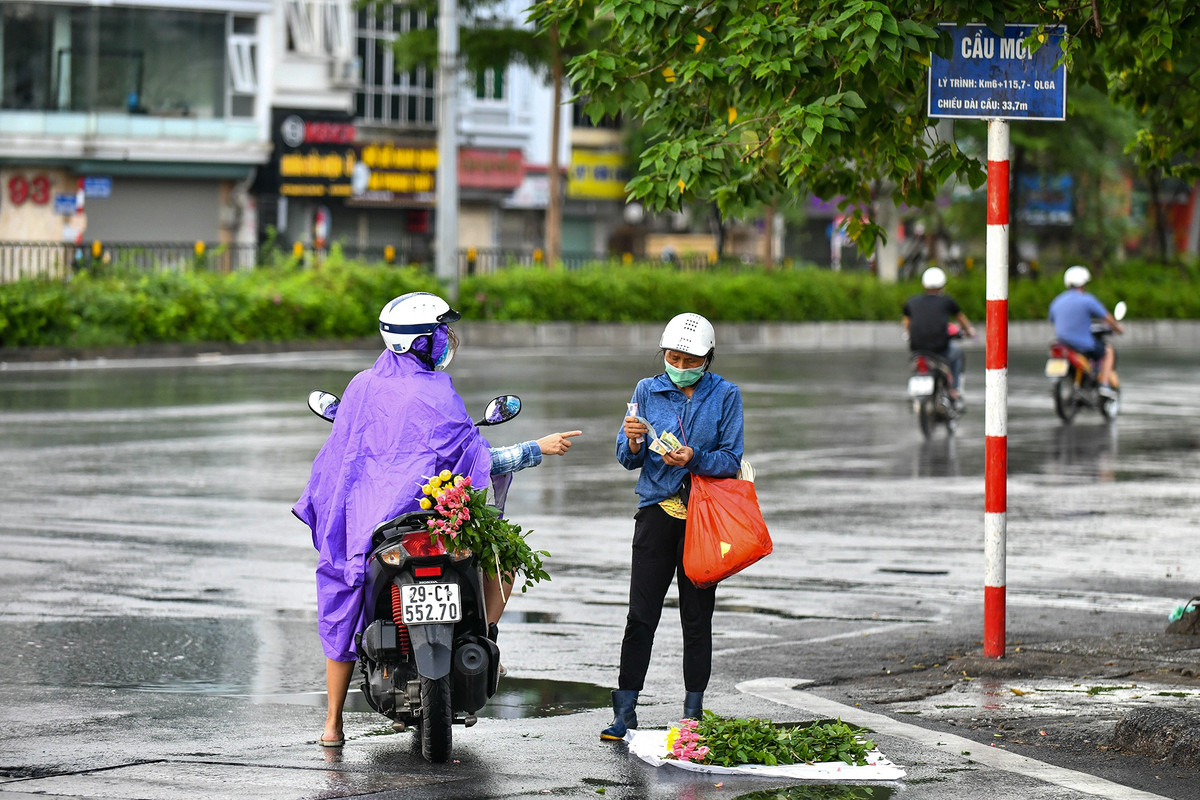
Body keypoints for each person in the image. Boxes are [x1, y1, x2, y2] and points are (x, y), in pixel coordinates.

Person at [292, 291, 581, 748]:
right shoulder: (438, 393)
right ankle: (486, 641)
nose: (448, 339)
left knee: (342, 602)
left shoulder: (362, 387)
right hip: (436, 523)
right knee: (503, 561)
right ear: (419, 342)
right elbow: (477, 458)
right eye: (440, 332)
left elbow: (340, 465)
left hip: (374, 534)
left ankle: (332, 726)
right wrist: (535, 448)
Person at [603, 312, 744, 741]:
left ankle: (693, 712)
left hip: (704, 518)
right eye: (672, 357)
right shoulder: (647, 390)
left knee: (696, 618)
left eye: (689, 359)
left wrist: (694, 458)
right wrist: (631, 440)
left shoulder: (726, 395)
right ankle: (625, 710)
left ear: (708, 359)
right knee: (640, 615)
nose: (679, 365)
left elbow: (731, 460)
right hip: (656, 514)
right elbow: (628, 458)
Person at [902, 267, 976, 406]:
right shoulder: (947, 301)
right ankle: (954, 388)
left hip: (917, 349)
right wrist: (969, 331)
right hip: (940, 348)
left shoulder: (912, 302)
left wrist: (909, 333)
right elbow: (961, 319)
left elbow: (906, 322)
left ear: (924, 285)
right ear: (943, 285)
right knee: (957, 353)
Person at [1049, 265, 1124, 396]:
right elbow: (1107, 317)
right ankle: (1104, 385)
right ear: (1084, 283)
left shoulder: (1057, 301)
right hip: (1082, 345)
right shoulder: (1087, 300)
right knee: (1108, 350)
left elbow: (1053, 319)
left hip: (1061, 343)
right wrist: (1117, 328)